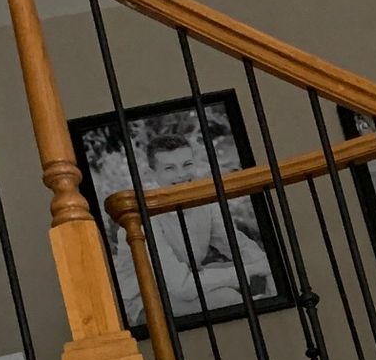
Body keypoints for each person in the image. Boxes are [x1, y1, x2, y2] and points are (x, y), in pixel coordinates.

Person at [113, 130, 273, 318]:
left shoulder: (204, 204)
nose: (181, 175)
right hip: (144, 300)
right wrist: (252, 270)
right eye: (169, 168)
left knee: (262, 273)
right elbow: (182, 287)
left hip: (183, 282)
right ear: (152, 173)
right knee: (226, 297)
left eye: (187, 164)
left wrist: (266, 268)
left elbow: (236, 244)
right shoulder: (142, 219)